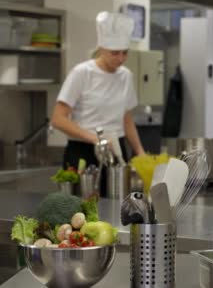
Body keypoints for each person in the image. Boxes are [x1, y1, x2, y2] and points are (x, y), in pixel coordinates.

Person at [51, 11, 145, 196]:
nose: (120, 59)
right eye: (115, 53)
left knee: (118, 207)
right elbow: (58, 119)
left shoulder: (125, 76)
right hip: (83, 152)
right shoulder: (82, 73)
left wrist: (140, 152)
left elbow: (126, 120)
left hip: (117, 151)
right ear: (101, 48)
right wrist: (94, 138)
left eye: (125, 53)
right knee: (82, 212)